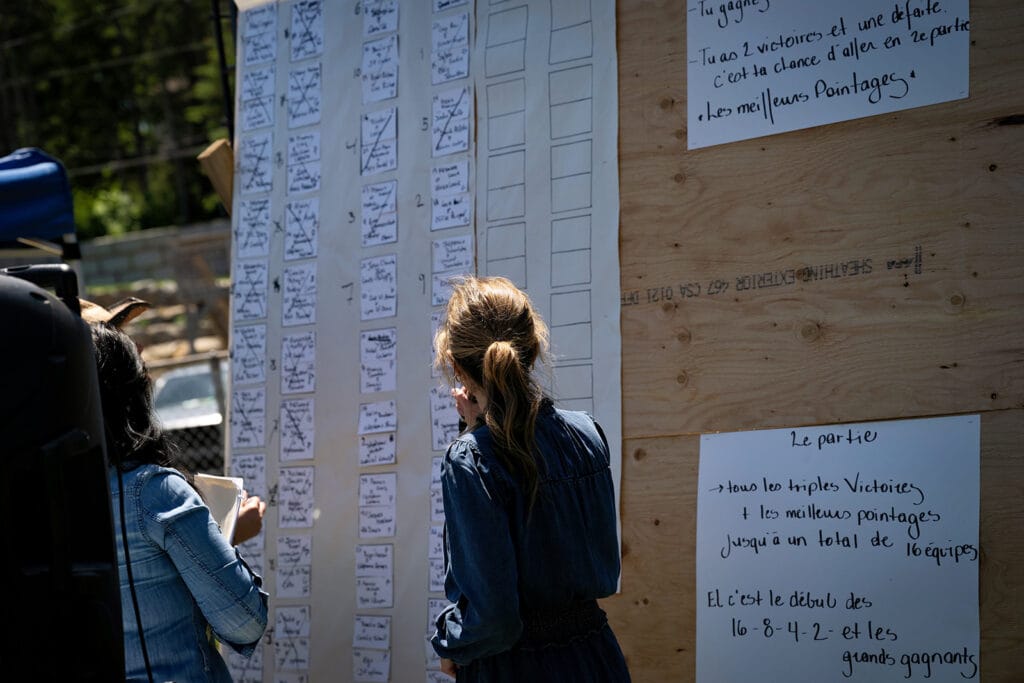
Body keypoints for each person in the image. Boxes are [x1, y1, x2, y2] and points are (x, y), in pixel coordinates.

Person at [430, 276, 631, 682]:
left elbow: (495, 619)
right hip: (596, 658)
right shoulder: (587, 433)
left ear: (456, 367)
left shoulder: (469, 459)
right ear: (533, 348)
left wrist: (453, 645)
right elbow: (605, 572)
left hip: (516, 667)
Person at [90, 316, 268, 682]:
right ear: (131, 395)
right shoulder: (153, 492)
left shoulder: (32, 502)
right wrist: (223, 537)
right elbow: (243, 621)